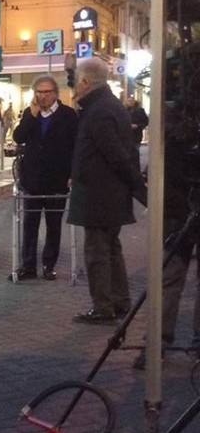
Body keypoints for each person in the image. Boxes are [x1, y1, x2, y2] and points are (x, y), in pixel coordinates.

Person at [68, 57, 147, 324]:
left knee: (98, 252)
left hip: (99, 196)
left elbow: (113, 154)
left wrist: (137, 185)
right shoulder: (109, 106)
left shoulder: (99, 110)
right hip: (108, 194)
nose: (75, 87)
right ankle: (119, 300)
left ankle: (103, 306)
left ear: (85, 82)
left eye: (77, 80)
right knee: (111, 249)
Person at [133, 110, 200, 368]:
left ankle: (161, 342)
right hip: (177, 213)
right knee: (168, 278)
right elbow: (161, 172)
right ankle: (157, 342)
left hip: (175, 210)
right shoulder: (176, 127)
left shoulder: (173, 123)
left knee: (168, 279)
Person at [10, 75, 78, 281]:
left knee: (53, 224)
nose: (42, 96)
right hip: (32, 179)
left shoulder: (68, 115)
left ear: (56, 93)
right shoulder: (31, 114)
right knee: (29, 224)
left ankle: (49, 265)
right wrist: (31, 116)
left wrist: (73, 174)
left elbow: (75, 146)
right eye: (39, 92)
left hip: (57, 178)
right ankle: (28, 265)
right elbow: (18, 137)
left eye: (47, 92)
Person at [125, 95, 149, 170]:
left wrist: (138, 126)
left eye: (131, 100)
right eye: (128, 101)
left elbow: (145, 121)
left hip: (136, 135)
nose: (130, 102)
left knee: (135, 152)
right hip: (127, 135)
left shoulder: (140, 111)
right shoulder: (124, 110)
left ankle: (135, 168)